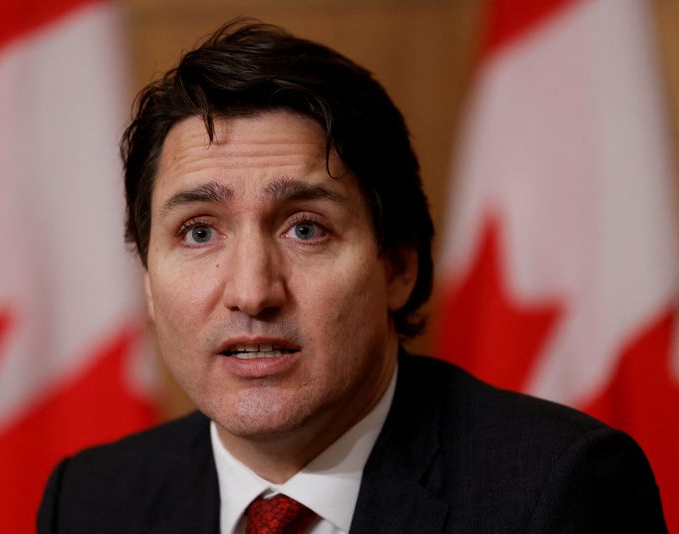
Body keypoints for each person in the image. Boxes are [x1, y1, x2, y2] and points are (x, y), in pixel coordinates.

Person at [37, 19, 667, 533]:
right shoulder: (91, 503)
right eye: (199, 232)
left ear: (397, 265)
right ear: (148, 280)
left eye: (305, 228)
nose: (252, 291)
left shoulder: (558, 494)